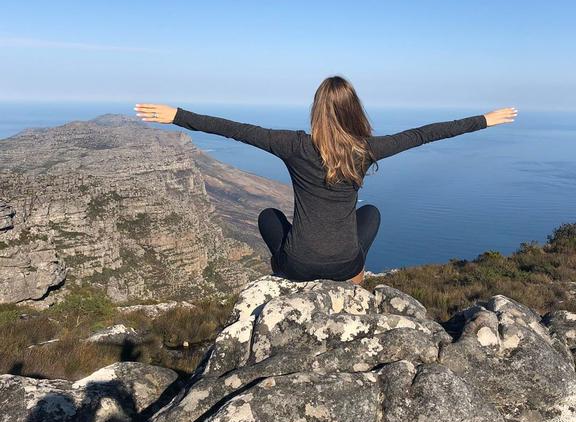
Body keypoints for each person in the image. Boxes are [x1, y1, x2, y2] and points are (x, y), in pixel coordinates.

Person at [134, 76, 518, 285]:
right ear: (354, 112)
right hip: (344, 266)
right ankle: (356, 278)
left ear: (317, 111)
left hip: (297, 267)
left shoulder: (292, 144)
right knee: (372, 214)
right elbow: (426, 134)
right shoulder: (365, 150)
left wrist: (176, 115)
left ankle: (283, 276)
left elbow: (234, 129)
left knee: (268, 214)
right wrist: (484, 119)